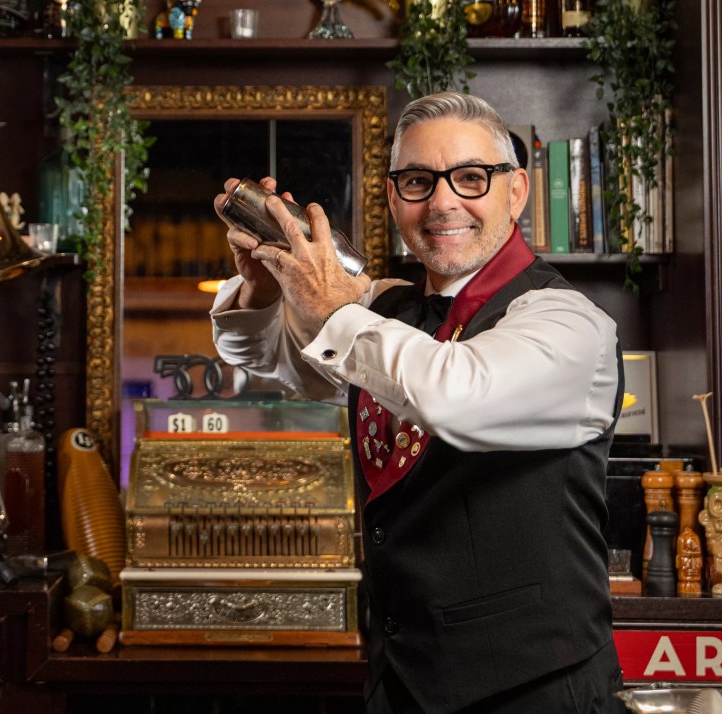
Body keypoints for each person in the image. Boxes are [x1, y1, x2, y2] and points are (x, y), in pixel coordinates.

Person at [210, 92, 625, 713]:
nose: (441, 202)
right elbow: (272, 357)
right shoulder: (384, 313)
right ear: (391, 197)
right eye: (416, 181)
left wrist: (332, 308)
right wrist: (265, 286)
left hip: (536, 689)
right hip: (400, 681)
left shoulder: (568, 322)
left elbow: (455, 392)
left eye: (470, 177)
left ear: (516, 192)